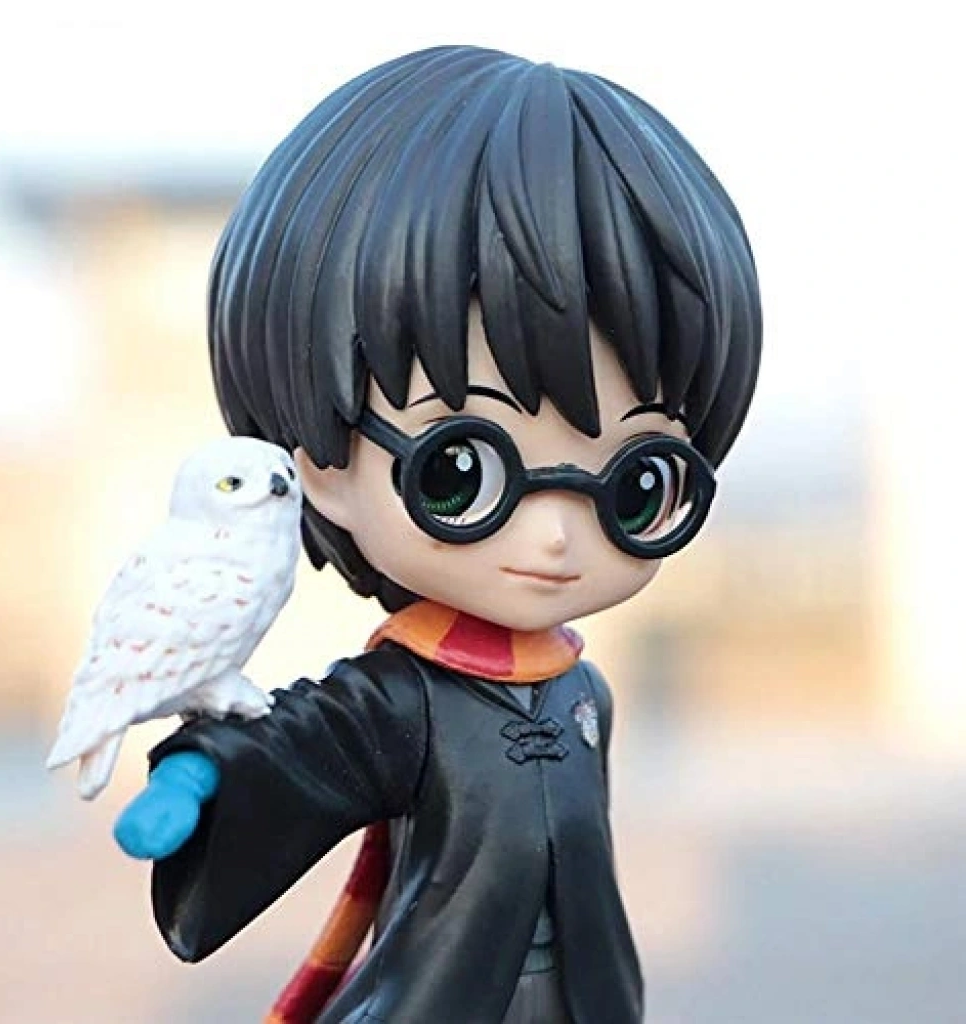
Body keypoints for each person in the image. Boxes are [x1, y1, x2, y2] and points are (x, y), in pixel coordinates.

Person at [114, 44, 761, 1024]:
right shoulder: (406, 699)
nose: (555, 535)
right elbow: (301, 743)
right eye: (463, 472)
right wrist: (202, 776)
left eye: (635, 485)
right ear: (320, 462)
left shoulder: (582, 693)